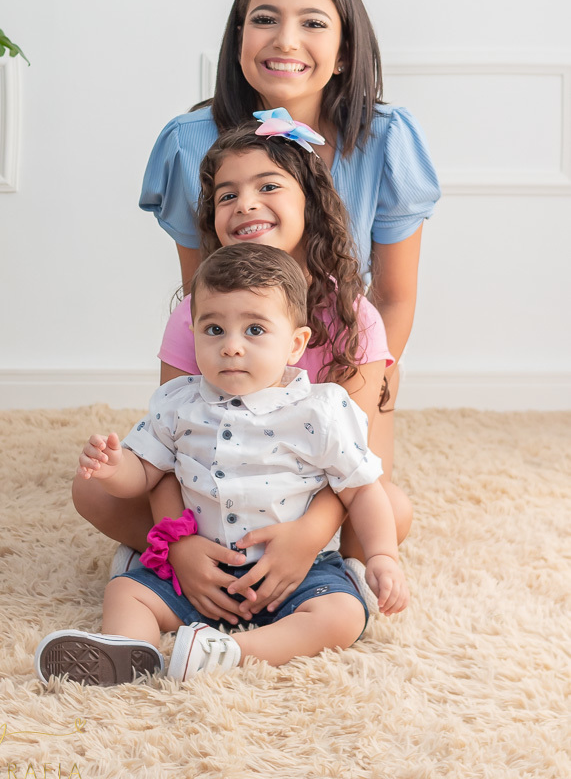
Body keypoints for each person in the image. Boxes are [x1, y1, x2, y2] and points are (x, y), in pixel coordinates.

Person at [74, 120, 411, 625]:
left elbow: (353, 466)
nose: (246, 204)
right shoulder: (196, 314)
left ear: (311, 203)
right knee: (92, 487)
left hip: (307, 505)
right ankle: (173, 565)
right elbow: (170, 453)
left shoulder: (354, 318)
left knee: (391, 507)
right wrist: (178, 543)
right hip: (208, 499)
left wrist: (304, 540)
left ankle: (318, 576)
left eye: (268, 186)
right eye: (227, 195)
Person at [36, 246, 408, 686]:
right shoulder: (179, 403)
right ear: (193, 334)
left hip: (294, 572)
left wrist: (383, 556)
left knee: (342, 615)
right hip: (198, 566)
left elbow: (362, 489)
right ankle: (129, 653)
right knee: (126, 591)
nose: (231, 347)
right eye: (214, 329)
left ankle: (229, 654)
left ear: (295, 344)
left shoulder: (320, 410)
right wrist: (114, 468)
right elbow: (147, 473)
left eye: (254, 330)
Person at [139, 0, 440, 479]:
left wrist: (352, 391)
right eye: (265, 19)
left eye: (313, 23)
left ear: (344, 52)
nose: (285, 40)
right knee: (180, 488)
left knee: (367, 510)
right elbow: (203, 295)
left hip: (345, 360)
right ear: (238, 39)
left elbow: (394, 298)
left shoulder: (387, 139)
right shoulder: (188, 144)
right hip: (238, 363)